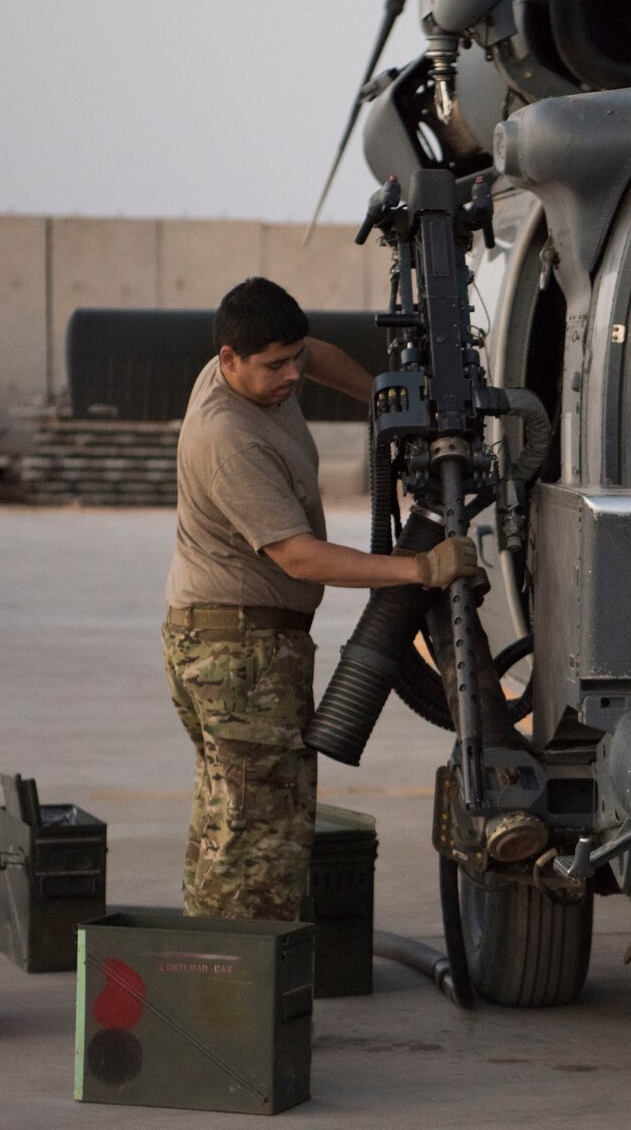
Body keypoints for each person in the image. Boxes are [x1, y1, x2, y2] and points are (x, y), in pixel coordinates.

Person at [163, 276, 480, 922]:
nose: (291, 376)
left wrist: (385, 401)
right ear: (229, 360)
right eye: (274, 366)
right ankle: (234, 998)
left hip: (229, 641)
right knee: (260, 844)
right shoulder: (227, 437)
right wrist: (419, 567)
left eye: (293, 358)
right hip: (238, 653)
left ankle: (213, 977)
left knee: (233, 824)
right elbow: (299, 555)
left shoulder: (253, 363)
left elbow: (319, 354)